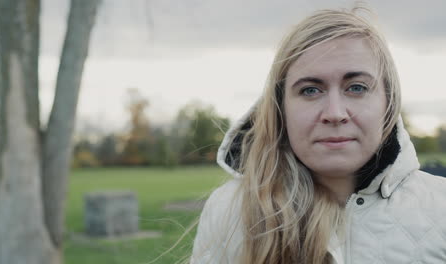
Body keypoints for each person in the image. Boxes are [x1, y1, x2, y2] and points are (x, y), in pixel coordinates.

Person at [190, 6, 446, 264]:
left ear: (388, 104)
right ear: (282, 110)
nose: (335, 113)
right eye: (311, 90)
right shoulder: (230, 209)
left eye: (356, 87)